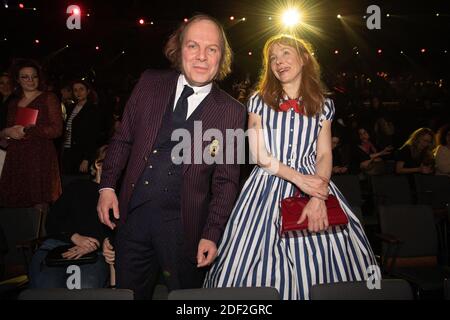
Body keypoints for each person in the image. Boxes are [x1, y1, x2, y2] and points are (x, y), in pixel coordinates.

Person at [204, 34, 378, 300]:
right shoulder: (258, 100)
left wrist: (318, 195)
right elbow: (258, 153)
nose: (278, 61)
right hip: (267, 186)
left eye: (285, 53)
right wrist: (300, 180)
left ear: (304, 58)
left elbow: (323, 154)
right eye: (273, 58)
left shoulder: (324, 103)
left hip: (316, 183)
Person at [97, 14, 246, 299]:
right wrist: (106, 187)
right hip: (133, 221)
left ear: (222, 56)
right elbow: (123, 138)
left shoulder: (232, 111)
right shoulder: (150, 82)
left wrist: (212, 233)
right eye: (193, 46)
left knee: (186, 301)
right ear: (180, 50)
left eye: (212, 49)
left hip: (185, 231)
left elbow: (226, 182)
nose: (202, 56)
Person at [29, 145, 110, 288]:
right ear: (98, 165)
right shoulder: (76, 187)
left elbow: (118, 231)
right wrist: (75, 237)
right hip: (58, 246)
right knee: (46, 288)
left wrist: (95, 243)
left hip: (94, 253)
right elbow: (52, 221)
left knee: (86, 288)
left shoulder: (120, 196)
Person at [0, 59, 62, 208]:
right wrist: (6, 132)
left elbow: (56, 130)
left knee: (38, 202)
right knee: (15, 204)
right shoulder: (14, 103)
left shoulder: (48, 97)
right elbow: (8, 130)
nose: (30, 80)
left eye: (34, 76)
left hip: (39, 156)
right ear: (17, 80)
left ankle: (40, 232)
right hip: (16, 156)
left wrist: (29, 129)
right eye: (25, 77)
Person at [61, 79, 101, 175]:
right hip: (67, 150)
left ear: (88, 91)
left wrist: (87, 158)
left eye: (81, 89)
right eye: (75, 90)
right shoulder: (71, 107)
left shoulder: (93, 109)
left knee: (77, 182)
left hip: (81, 153)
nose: (78, 92)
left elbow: (93, 135)